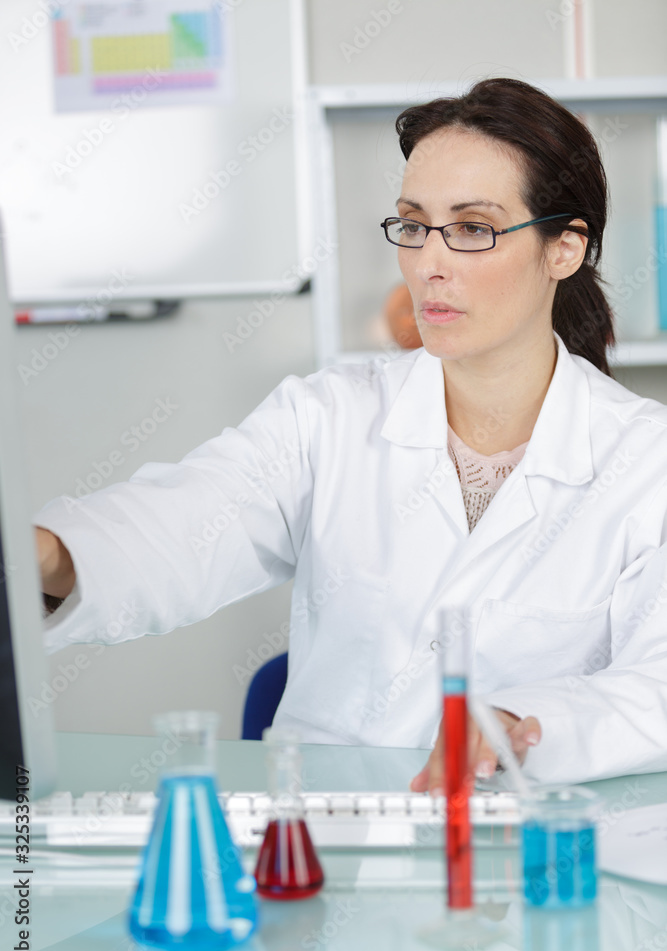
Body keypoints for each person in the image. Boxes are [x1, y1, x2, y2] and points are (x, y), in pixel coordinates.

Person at [35, 77, 667, 791]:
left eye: (471, 229)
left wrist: (523, 721)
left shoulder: (646, 462)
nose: (429, 262)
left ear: (564, 249)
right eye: (412, 224)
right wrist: (43, 556)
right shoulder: (329, 416)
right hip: (322, 839)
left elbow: (658, 686)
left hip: (518, 839)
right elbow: (182, 526)